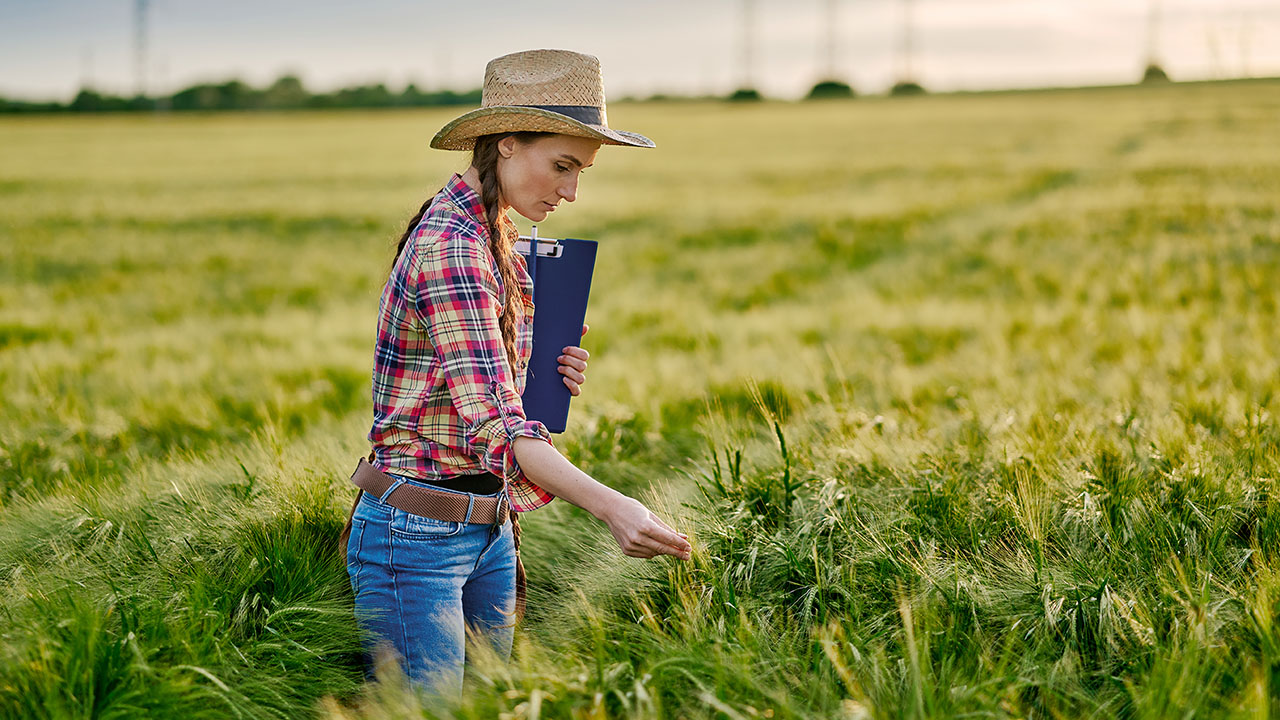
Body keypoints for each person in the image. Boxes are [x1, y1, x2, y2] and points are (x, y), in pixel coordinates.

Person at [344, 49, 693, 700]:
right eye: (562, 165)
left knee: (490, 708)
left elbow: (478, 397)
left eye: (582, 172)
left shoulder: (496, 234)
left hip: (489, 526)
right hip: (416, 539)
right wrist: (614, 509)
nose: (571, 191)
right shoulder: (454, 246)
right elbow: (502, 433)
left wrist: (540, 370)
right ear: (506, 143)